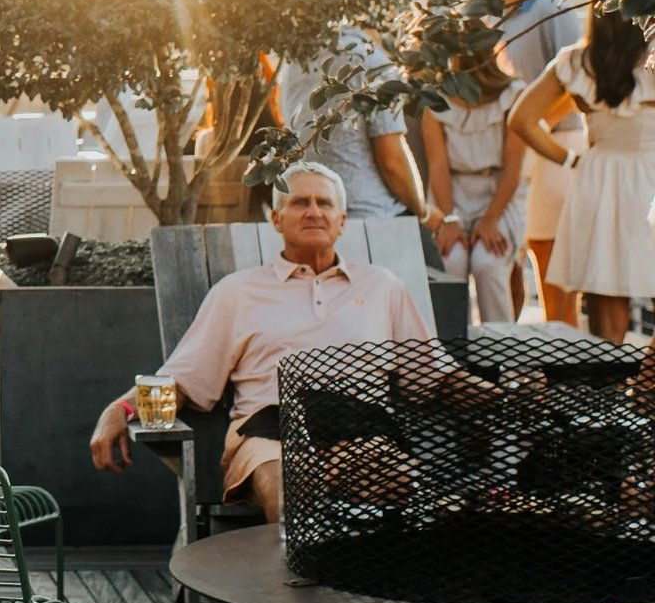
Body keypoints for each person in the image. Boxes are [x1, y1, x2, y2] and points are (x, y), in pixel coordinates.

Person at [89, 162, 432, 525]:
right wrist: (119, 411)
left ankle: (365, 578)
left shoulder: (383, 287)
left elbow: (434, 375)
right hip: (271, 434)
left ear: (342, 220)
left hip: (362, 430)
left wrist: (497, 392)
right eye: (300, 202)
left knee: (407, 495)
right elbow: (184, 380)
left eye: (324, 203)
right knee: (286, 494)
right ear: (277, 220)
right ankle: (299, 580)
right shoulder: (238, 293)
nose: (314, 211)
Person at [508, 5, 655, 345]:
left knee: (607, 300)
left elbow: (522, 120)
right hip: (649, 180)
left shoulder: (578, 62)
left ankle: (615, 391)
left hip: (599, 179)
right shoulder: (651, 60)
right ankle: (643, 386)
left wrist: (571, 160)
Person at [492, 0, 585, 322]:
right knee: (532, 246)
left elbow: (579, 81)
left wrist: (538, 120)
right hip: (522, 143)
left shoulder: (552, 11)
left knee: (552, 248)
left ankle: (564, 347)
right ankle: (553, 346)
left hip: (555, 141)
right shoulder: (501, 16)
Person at [421, 26, 527, 324]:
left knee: (488, 263)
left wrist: (491, 218)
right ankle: (455, 357)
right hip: (451, 194)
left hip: (499, 194)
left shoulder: (513, 94)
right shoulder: (436, 99)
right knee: (450, 261)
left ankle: (503, 360)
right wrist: (449, 219)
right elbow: (438, 165)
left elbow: (513, 165)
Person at [272, 27, 426, 222]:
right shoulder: (372, 62)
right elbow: (391, 163)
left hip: (312, 213)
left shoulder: (294, 62)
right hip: (371, 213)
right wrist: (424, 213)